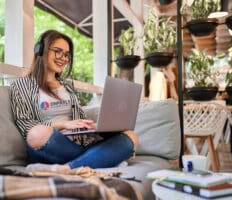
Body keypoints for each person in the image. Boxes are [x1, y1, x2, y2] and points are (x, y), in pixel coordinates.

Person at [10, 30, 138, 171]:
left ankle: (68, 169)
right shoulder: (21, 85)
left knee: (131, 137)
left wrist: (95, 127)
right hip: (53, 144)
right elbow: (26, 125)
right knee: (37, 133)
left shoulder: (67, 87)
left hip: (78, 145)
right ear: (41, 50)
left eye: (66, 54)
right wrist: (63, 124)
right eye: (58, 51)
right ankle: (99, 158)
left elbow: (79, 120)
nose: (63, 58)